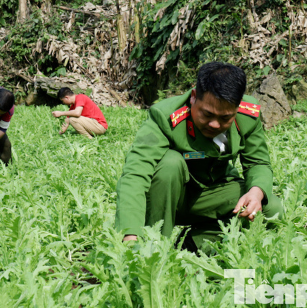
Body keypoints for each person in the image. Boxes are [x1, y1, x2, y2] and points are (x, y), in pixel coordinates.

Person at [115, 62, 282, 250]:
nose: (215, 124)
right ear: (194, 97)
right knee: (169, 164)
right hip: (166, 200)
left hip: (213, 195)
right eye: (207, 114)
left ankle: (194, 244)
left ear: (237, 108)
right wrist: (130, 234)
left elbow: (258, 162)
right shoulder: (165, 116)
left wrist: (256, 192)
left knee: (270, 209)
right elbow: (135, 173)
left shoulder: (247, 116)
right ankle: (152, 247)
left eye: (225, 118)